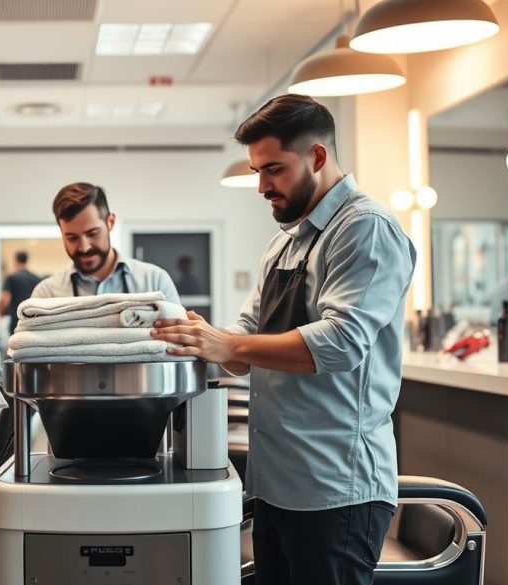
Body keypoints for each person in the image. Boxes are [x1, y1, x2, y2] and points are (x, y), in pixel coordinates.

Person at [151, 94, 416, 585]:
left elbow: (341, 341)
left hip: (337, 486)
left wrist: (226, 346)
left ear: (317, 157)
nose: (261, 186)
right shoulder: (285, 241)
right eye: (256, 170)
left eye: (273, 169)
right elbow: (246, 338)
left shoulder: (365, 228)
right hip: (276, 483)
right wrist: (192, 339)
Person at [32, 182, 181, 303]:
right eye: (72, 237)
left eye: (92, 233)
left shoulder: (155, 281)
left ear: (110, 222)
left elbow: (177, 338)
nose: (84, 248)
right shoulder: (46, 295)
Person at [0, 250, 43, 335]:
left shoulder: (11, 277)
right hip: (32, 321)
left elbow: (4, 298)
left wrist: (0, 315)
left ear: (15, 260)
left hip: (16, 321)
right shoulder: (36, 278)